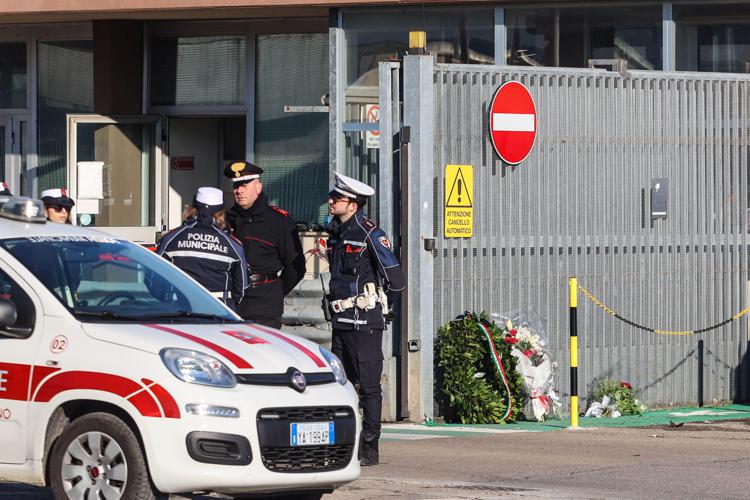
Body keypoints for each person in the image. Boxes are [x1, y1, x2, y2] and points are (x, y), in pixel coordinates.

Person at [324, 172, 405, 466]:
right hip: (340, 321)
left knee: (369, 387)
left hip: (364, 322)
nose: (331, 201)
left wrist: (386, 307)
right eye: (332, 197)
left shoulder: (370, 233)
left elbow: (395, 278)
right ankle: (344, 444)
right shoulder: (336, 231)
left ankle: (369, 447)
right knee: (340, 384)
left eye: (337, 198)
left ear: (354, 205)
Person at [224, 161, 305, 329]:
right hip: (229, 305)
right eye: (236, 186)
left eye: (244, 185)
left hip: (263, 308)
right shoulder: (225, 220)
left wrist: (274, 293)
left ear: (258, 188)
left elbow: (295, 267)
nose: (239, 191)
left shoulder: (278, 221)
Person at [156, 187, 248, 310]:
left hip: (179, 310)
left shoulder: (171, 238)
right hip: (220, 311)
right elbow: (241, 288)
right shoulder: (232, 244)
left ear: (192, 209)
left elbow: (155, 279)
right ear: (221, 213)